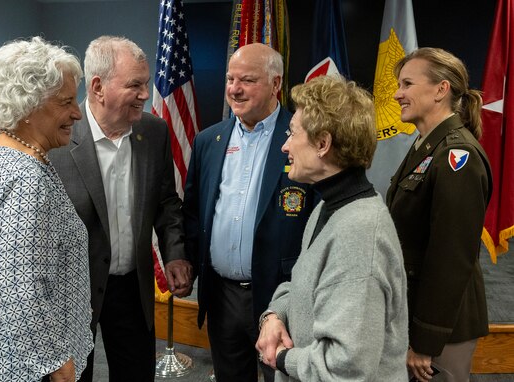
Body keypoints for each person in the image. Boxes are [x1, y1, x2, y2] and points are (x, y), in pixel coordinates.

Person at [48, 35, 193, 382]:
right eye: (135, 85)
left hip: (132, 287)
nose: (146, 94)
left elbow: (166, 202)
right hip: (73, 292)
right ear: (98, 87)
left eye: (145, 84)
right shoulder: (57, 139)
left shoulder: (154, 132)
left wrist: (174, 253)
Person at [0, 36, 93, 382]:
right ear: (29, 107)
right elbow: (22, 287)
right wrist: (59, 366)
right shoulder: (27, 179)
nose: (77, 112)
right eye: (66, 102)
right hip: (26, 368)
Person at [255, 75, 409, 381]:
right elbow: (301, 285)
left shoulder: (359, 234)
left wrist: (283, 358)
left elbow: (345, 366)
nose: (285, 145)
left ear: (323, 143)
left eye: (292, 133)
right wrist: (274, 316)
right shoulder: (329, 208)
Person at [183, 43, 315, 382]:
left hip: (280, 297)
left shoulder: (304, 139)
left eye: (247, 80)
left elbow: (317, 224)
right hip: (222, 296)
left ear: (276, 84)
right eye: (230, 78)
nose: (234, 89)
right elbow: (194, 213)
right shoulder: (207, 141)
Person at [386, 47, 492, 382]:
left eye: (407, 83)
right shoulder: (426, 146)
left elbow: (451, 257)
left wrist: (426, 340)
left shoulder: (456, 155)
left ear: (440, 89)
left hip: (442, 328)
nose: (397, 93)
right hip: (416, 312)